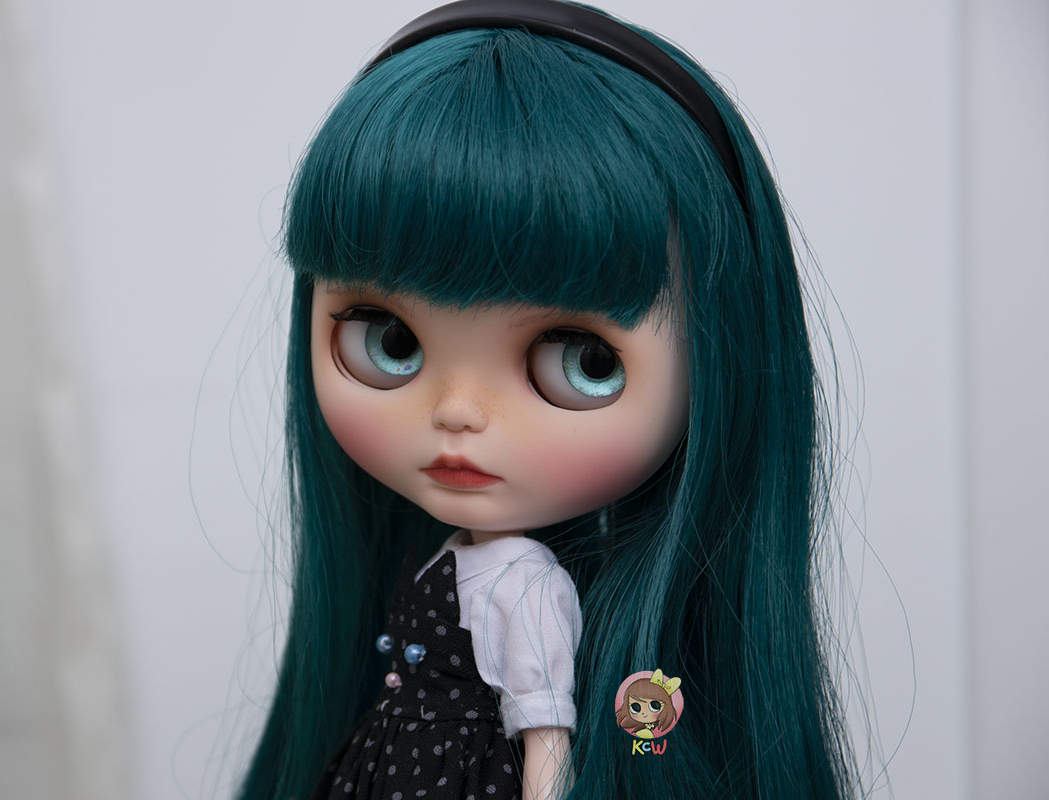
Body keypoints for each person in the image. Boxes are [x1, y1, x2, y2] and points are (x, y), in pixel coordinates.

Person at [241, 1, 854, 797]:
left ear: (717, 361)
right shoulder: (442, 562)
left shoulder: (529, 587)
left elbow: (545, 731)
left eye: (580, 361)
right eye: (388, 340)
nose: (458, 411)